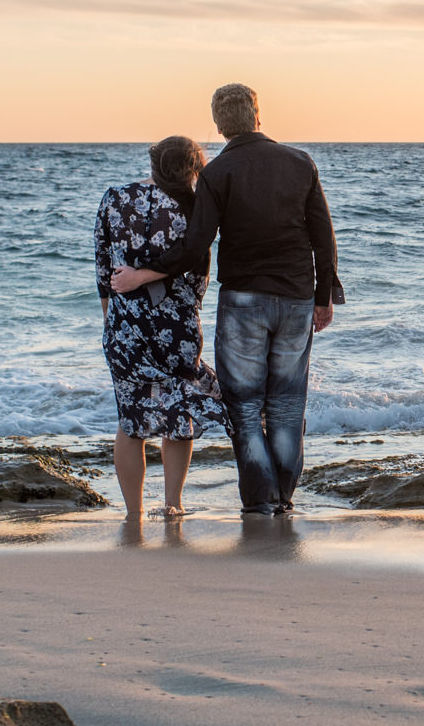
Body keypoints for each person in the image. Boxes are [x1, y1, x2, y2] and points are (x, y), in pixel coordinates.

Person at [111, 83, 343, 516]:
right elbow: (322, 236)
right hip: (295, 298)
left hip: (242, 303)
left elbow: (195, 247)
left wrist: (142, 274)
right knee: (289, 404)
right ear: (258, 114)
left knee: (246, 405)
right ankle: (284, 498)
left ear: (219, 125)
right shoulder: (300, 163)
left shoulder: (217, 174)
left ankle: (259, 499)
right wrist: (324, 297)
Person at [93, 136, 226, 522]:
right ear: (193, 169)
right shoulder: (193, 207)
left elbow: (104, 270)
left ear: (153, 164)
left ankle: (133, 513)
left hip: (124, 326)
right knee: (177, 413)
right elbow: (198, 267)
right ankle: (173, 504)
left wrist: (111, 317)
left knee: (131, 420)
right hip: (177, 326)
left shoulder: (114, 199)